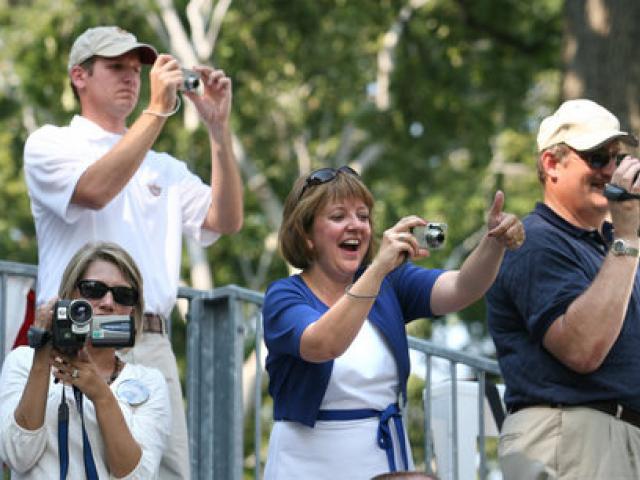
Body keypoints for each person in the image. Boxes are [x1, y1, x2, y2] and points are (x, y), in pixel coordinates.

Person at [23, 25, 243, 479]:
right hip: (75, 336)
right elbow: (95, 190)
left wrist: (218, 131)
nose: (131, 78)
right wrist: (159, 111)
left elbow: (226, 221)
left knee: (164, 473)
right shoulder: (50, 143)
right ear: (79, 76)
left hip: (150, 339)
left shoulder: (164, 165)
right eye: (115, 67)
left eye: (137, 70)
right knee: (66, 466)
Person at [261, 166, 524, 479]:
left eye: (363, 216)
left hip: (381, 460)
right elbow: (323, 344)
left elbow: (462, 288)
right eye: (338, 216)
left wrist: (494, 242)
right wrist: (378, 269)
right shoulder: (284, 295)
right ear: (306, 235)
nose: (356, 225)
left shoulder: (391, 282)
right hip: (305, 464)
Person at [486, 99, 640, 479]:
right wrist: (626, 237)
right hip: (572, 437)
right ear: (551, 164)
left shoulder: (614, 248)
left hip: (614, 438)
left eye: (617, 159)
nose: (610, 170)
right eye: (597, 157)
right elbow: (583, 349)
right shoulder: (533, 240)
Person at [0, 241, 170, 479]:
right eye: (93, 290)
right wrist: (42, 356)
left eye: (123, 295)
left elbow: (137, 476)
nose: (108, 303)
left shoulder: (149, 382)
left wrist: (100, 394)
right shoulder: (23, 361)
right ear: (69, 296)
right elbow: (16, 456)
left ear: (132, 310)